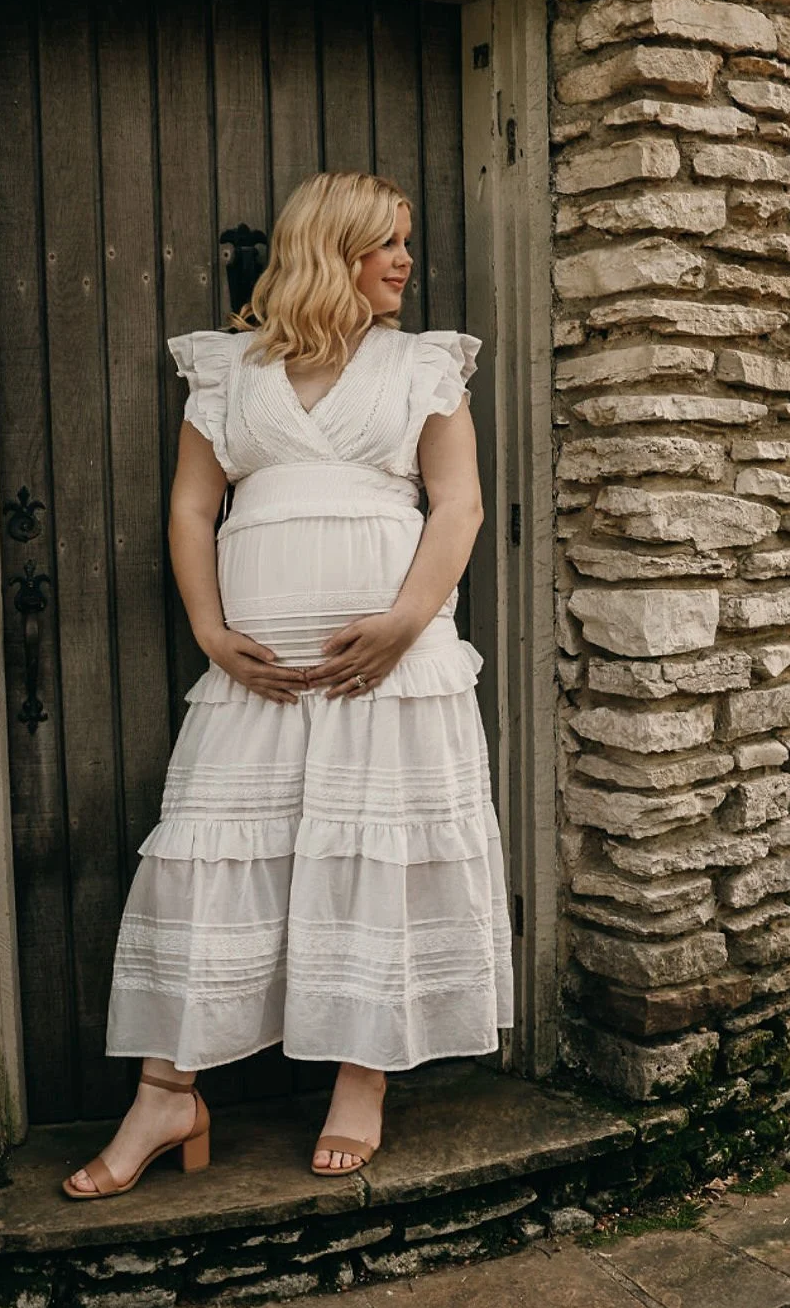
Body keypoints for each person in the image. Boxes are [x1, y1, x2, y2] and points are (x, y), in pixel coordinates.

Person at [63, 170, 514, 1199]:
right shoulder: (229, 372)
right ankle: (167, 1090)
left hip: (392, 675)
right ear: (330, 249)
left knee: (378, 855)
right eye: (386, 242)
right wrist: (212, 630)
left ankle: (363, 1075)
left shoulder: (423, 365)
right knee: (210, 853)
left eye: (406, 241)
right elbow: (190, 510)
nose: (406, 259)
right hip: (257, 679)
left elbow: (460, 507)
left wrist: (403, 621)